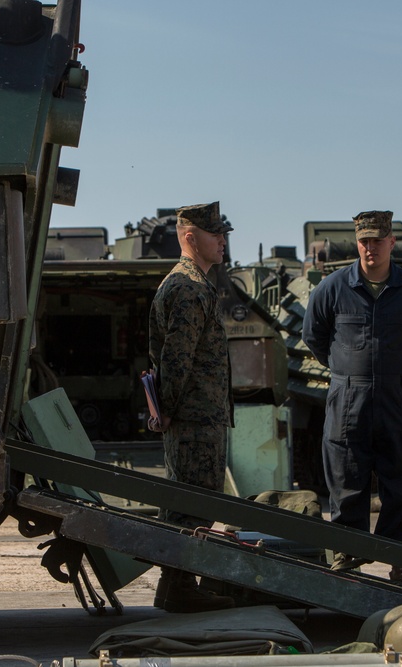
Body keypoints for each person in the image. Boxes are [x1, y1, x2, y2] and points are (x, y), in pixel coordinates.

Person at [302, 210, 402, 584]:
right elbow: (315, 335)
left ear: (392, 242)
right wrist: (346, 371)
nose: (370, 247)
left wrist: (400, 367)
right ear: (357, 243)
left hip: (397, 396)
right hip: (348, 400)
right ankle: (347, 560)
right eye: (364, 241)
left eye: (378, 240)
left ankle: (398, 561)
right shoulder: (334, 287)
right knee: (346, 480)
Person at [147, 201, 236, 613]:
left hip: (199, 416)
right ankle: (179, 587)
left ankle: (176, 585)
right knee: (192, 505)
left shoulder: (195, 284)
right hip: (194, 419)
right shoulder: (187, 287)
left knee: (193, 503)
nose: (222, 240)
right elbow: (175, 360)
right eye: (214, 233)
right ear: (189, 237)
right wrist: (165, 409)